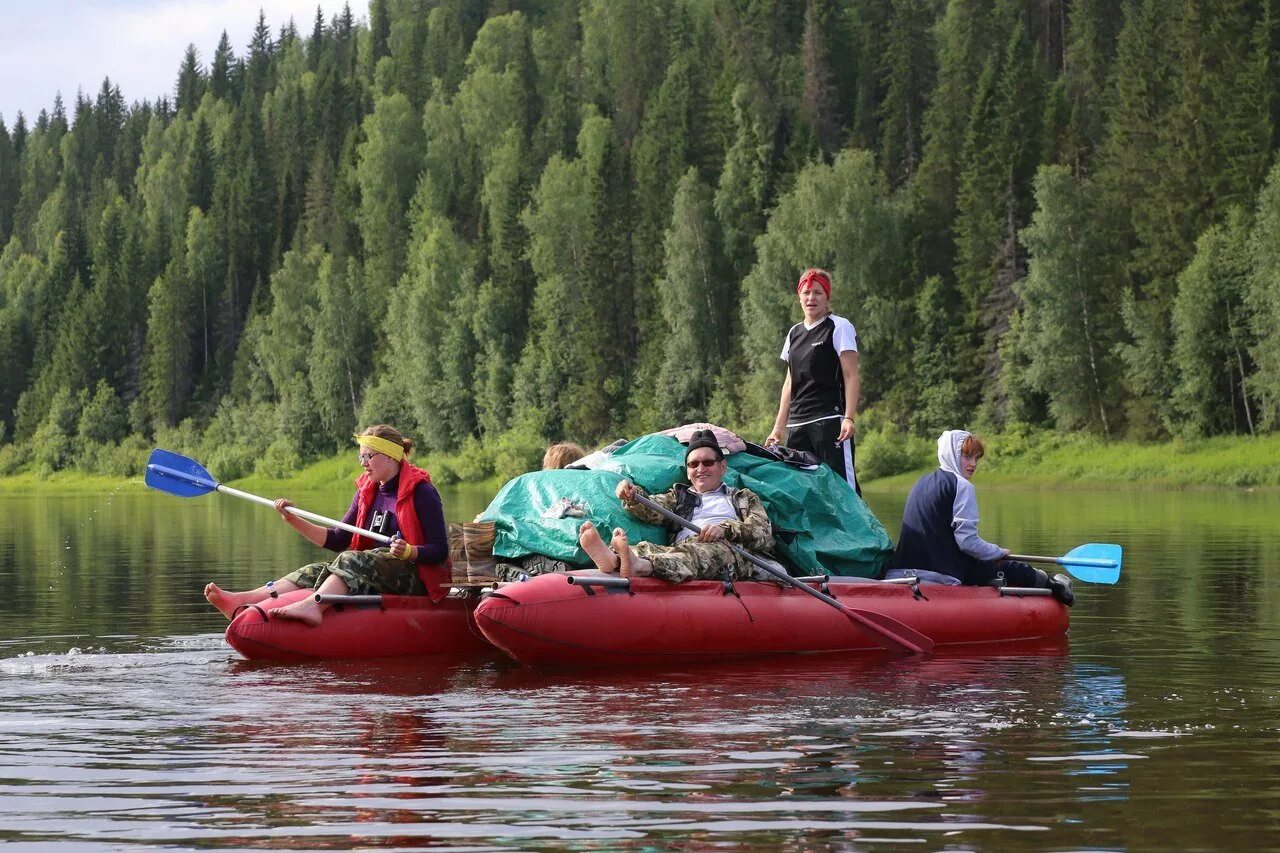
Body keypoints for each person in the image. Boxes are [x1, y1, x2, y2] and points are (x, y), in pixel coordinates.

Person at [203, 424, 450, 625]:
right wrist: (292, 519)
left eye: (368, 456)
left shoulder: (422, 492)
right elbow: (336, 540)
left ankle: (315, 606)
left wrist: (409, 551)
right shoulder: (367, 492)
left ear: (389, 456)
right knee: (316, 569)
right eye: (360, 456)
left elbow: (440, 551)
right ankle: (243, 599)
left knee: (349, 560)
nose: (363, 462)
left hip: (416, 577)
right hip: (373, 570)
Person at [886, 429, 1074, 605]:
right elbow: (967, 542)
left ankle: (1050, 581)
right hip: (939, 572)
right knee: (1009, 566)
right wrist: (997, 552)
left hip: (901, 570)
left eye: (976, 458)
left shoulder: (921, 482)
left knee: (989, 562)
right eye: (967, 456)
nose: (973, 464)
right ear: (951, 454)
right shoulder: (961, 485)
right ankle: (1053, 585)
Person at [577, 429, 775, 583]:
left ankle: (641, 567)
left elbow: (763, 533)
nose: (700, 469)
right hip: (684, 547)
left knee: (700, 554)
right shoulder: (679, 496)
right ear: (688, 472)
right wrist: (632, 495)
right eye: (693, 464)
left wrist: (725, 530)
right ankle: (615, 560)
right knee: (646, 548)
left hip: (730, 551)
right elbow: (654, 509)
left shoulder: (742, 497)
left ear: (722, 467)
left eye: (707, 462)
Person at [764, 268, 861, 494]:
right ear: (799, 296)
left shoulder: (838, 326)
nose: (811, 298)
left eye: (818, 292)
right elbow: (789, 384)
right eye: (806, 292)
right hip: (797, 424)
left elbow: (851, 375)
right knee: (803, 490)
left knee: (842, 489)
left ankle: (860, 530)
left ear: (827, 296)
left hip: (830, 421)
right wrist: (778, 429)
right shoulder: (794, 333)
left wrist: (849, 417)